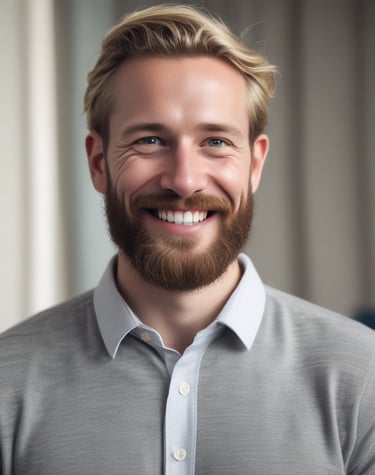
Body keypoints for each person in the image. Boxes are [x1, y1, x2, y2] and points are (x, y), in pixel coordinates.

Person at [1, 4, 374, 474]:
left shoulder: (364, 378)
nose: (184, 180)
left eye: (215, 141)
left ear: (255, 164)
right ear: (98, 162)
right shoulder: (6, 381)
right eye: (150, 141)